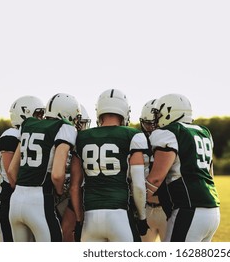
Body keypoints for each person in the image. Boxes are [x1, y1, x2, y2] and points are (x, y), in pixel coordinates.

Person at [70, 88, 149, 242]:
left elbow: (74, 187)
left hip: (90, 218)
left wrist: (79, 221)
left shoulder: (81, 138)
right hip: (119, 215)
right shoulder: (133, 135)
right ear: (125, 111)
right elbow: (139, 185)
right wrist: (142, 217)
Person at [146, 93, 220, 242]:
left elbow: (155, 179)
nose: (157, 118)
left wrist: (138, 204)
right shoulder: (204, 132)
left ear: (169, 112)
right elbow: (210, 174)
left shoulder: (170, 132)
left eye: (159, 113)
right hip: (213, 209)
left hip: (189, 209)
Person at [8, 93, 81, 242]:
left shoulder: (28, 124)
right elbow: (57, 175)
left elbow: (11, 171)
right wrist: (59, 191)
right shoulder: (64, 128)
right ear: (67, 114)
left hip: (15, 202)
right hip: (39, 200)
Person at [0, 95, 45, 242]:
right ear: (25, 113)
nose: (41, 118)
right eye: (38, 114)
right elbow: (11, 174)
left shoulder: (27, 135)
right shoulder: (11, 135)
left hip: (22, 202)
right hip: (9, 200)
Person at [57, 104, 91, 242]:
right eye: (78, 124)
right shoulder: (59, 141)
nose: (80, 127)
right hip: (55, 194)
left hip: (76, 195)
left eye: (82, 123)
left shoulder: (85, 142)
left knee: (69, 230)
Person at [139, 99, 167, 242]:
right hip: (145, 208)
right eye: (149, 124)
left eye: (155, 124)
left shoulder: (171, 143)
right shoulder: (137, 143)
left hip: (167, 208)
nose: (152, 128)